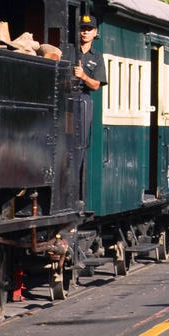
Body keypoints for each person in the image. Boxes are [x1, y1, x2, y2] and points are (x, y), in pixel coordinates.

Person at [68, 14, 106, 204]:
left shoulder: (96, 57)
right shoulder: (70, 50)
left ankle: (76, 184)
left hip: (83, 98)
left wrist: (83, 75)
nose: (85, 32)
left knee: (80, 144)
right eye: (83, 28)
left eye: (89, 29)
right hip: (66, 96)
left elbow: (96, 85)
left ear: (95, 33)